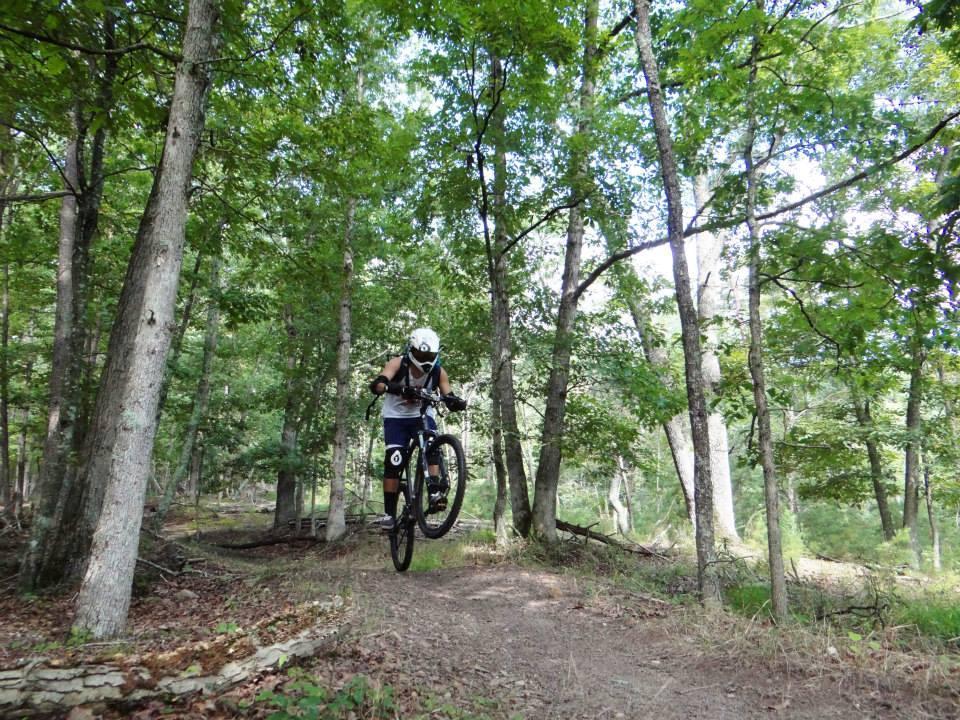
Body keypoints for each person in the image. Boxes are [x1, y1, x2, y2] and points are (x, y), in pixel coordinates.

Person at [369, 327, 467, 529]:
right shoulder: (397, 363)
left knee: (431, 444)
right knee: (395, 460)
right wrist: (392, 386)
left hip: (421, 415)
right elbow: (378, 384)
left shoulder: (439, 372)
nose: (425, 359)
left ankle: (434, 490)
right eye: (421, 354)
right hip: (396, 418)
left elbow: (448, 395)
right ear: (412, 351)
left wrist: (455, 402)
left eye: (429, 355)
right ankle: (389, 513)